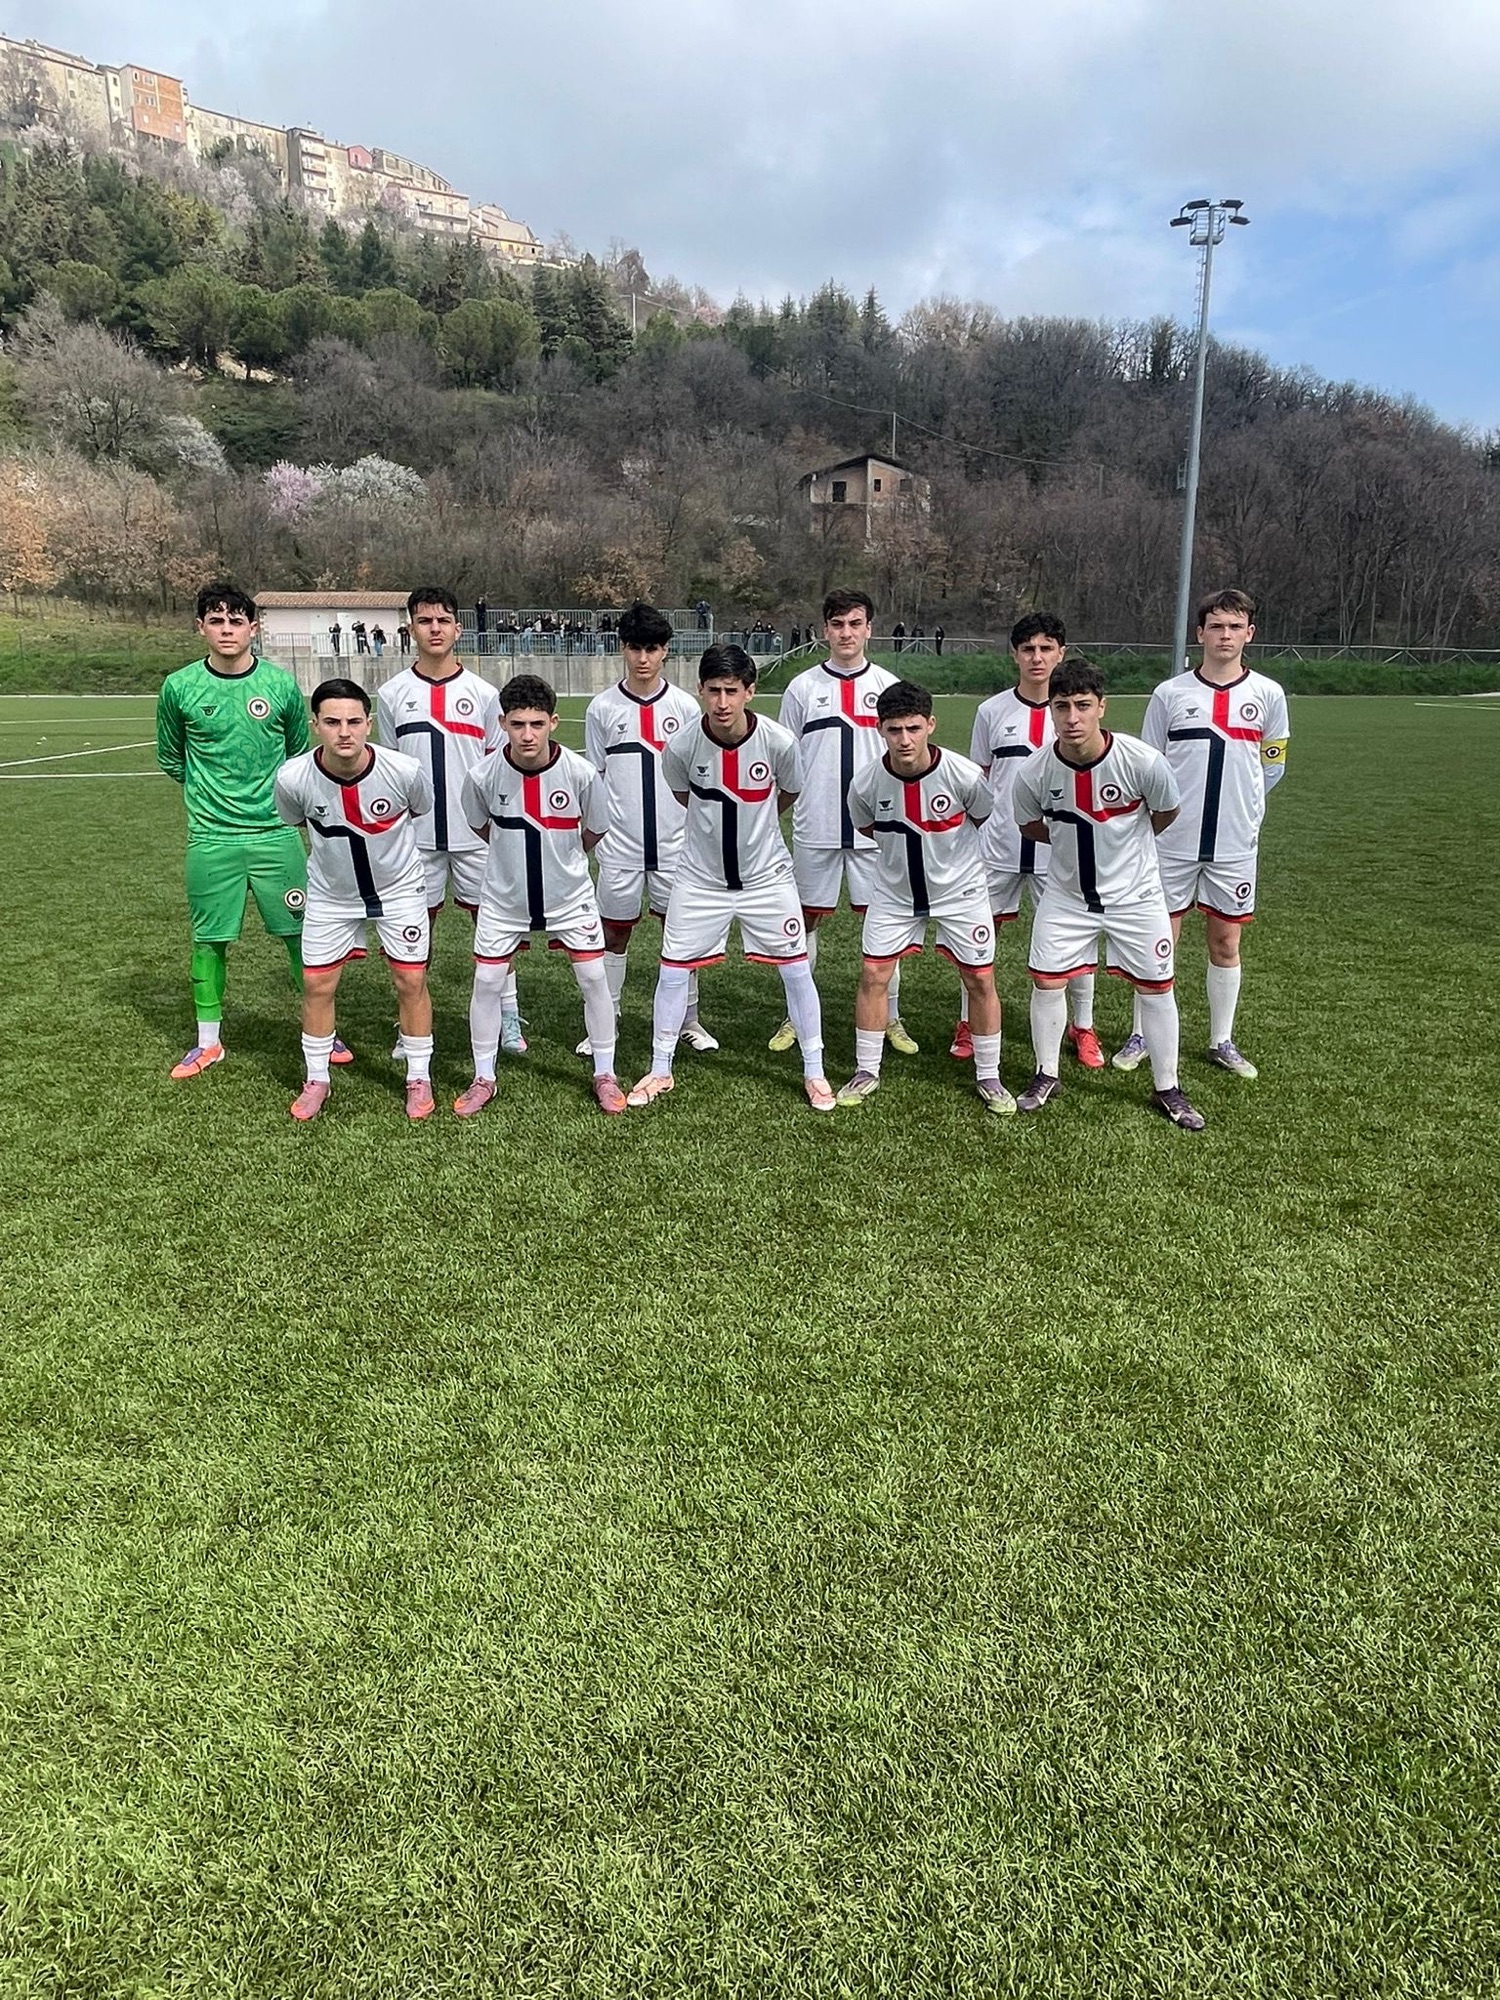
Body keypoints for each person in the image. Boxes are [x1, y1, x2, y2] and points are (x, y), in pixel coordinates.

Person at [627, 645, 834, 1113]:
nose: (722, 702)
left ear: (750, 692)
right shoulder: (681, 746)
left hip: (767, 879)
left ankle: (815, 1072)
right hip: (699, 881)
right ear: (700, 690)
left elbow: (789, 792)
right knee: (672, 970)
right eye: (714, 691)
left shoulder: (779, 743)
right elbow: (684, 796)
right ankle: (660, 1068)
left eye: (732, 691)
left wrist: (752, 833)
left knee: (796, 970)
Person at [155, 583, 350, 1080]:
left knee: (302, 938)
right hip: (212, 838)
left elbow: (297, 756)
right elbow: (171, 757)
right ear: (200, 627)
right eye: (216, 621)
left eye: (236, 621)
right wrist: (213, 798)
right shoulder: (178, 688)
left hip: (275, 836)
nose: (227, 630)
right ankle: (208, 1043)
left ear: (253, 629)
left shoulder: (280, 686)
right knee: (208, 940)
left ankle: (324, 1033)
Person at [1012, 660, 1204, 1129]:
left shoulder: (1142, 762)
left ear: (1102, 707)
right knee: (1047, 983)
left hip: (1137, 898)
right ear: (1050, 710)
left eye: (1083, 705)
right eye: (1062, 707)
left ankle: (1168, 1087)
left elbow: (1165, 812)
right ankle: (1046, 1074)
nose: (1072, 717)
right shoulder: (1034, 772)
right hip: (1066, 898)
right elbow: (1030, 825)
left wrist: (1120, 851)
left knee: (1156, 988)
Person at [1113, 588, 1289, 1081]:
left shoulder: (1269, 695)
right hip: (1172, 842)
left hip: (1234, 843)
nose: (1225, 635)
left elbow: (1273, 765)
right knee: (1157, 941)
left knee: (1226, 941)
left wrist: (1245, 809)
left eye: (1234, 627)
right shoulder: (1170, 695)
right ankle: (1141, 1034)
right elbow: (1149, 767)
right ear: (1200, 633)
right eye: (1216, 626)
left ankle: (1221, 1040)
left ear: (1249, 633)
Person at [452, 674, 624, 1117]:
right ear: (502, 724)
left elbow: (596, 829)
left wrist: (560, 860)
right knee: (487, 982)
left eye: (536, 724)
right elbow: (479, 824)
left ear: (553, 722)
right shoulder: (482, 775)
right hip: (504, 900)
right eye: (517, 724)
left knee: (594, 979)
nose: (527, 734)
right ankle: (484, 1078)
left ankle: (605, 1073)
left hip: (569, 898)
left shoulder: (581, 773)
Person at [838, 682, 1013, 1113]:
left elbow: (983, 815)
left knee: (980, 980)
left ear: (930, 725)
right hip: (895, 894)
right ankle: (866, 1069)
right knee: (873, 975)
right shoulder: (865, 784)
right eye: (894, 729)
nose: (904, 739)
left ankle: (989, 1075)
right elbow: (866, 826)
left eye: (913, 728)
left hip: (960, 893)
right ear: (880, 729)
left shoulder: (964, 776)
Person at [274, 679, 435, 1122]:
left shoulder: (403, 771)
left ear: (369, 723)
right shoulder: (293, 778)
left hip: (399, 891)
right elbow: (294, 819)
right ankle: (316, 1079)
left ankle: (419, 1077)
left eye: (353, 721)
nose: (343, 732)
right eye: (332, 722)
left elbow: (420, 808)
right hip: (331, 896)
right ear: (315, 725)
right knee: (317, 985)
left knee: (411, 981)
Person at [375, 585, 524, 1056]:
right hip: (415, 839)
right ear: (411, 629)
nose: (434, 629)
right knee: (415, 932)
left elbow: (498, 768)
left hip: (476, 836)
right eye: (424, 621)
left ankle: (508, 1018)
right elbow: (389, 768)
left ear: (458, 628)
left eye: (442, 621)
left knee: (495, 927)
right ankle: (410, 1027)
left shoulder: (483, 694)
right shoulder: (392, 694)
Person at [770, 588, 915, 1054]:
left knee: (885, 923)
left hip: (876, 830)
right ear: (825, 631)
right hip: (816, 826)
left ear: (869, 628)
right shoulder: (803, 688)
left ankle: (891, 1016)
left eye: (855, 624)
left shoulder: (888, 687)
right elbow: (786, 760)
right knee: (803, 922)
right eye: (837, 625)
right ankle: (796, 1016)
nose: (846, 633)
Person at [953, 613, 1098, 1067]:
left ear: (1061, 653)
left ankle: (1083, 1026)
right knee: (977, 936)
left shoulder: (1072, 713)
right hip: (998, 848)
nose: (1037, 658)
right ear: (1014, 654)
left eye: (1046, 648)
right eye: (1028, 649)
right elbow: (979, 782)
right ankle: (968, 1021)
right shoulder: (991, 711)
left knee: (1075, 938)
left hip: (1060, 851)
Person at [581, 600, 716, 1059]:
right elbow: (595, 778)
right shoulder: (602, 708)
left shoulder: (685, 708)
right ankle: (607, 1019)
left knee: (681, 934)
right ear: (622, 649)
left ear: (665, 652)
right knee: (613, 934)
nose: (643, 658)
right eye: (636, 648)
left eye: (652, 649)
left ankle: (689, 1020)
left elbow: (698, 777)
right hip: (620, 846)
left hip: (676, 846)